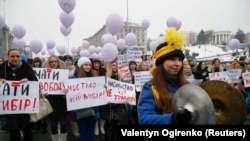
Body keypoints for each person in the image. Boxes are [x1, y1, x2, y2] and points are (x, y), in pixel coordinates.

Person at [137, 27, 189, 125]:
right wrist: (172, 119)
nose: (178, 63)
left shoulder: (187, 86)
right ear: (161, 62)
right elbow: (144, 119)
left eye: (179, 59)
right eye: (172, 59)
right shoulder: (151, 88)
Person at [0, 48, 38, 141]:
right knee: (14, 133)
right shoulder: (1, 69)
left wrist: (29, 81)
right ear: (7, 57)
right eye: (12, 56)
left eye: (18, 56)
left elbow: (36, 84)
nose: (15, 58)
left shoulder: (28, 68)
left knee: (28, 133)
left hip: (26, 108)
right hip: (10, 109)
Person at [70, 57, 100, 141]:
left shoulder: (95, 77)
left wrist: (103, 87)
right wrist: (66, 91)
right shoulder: (73, 79)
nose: (88, 67)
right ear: (80, 66)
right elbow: (70, 94)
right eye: (85, 64)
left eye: (90, 65)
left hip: (93, 110)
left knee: (91, 133)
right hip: (80, 112)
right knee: (83, 133)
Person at [43, 55, 68, 141]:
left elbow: (69, 87)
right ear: (48, 63)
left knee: (64, 123)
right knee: (53, 125)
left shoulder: (64, 73)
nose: (53, 63)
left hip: (62, 102)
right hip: (51, 103)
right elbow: (41, 88)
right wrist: (44, 94)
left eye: (55, 61)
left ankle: (63, 139)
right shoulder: (44, 74)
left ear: (58, 62)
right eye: (51, 62)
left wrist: (66, 92)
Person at [100, 60, 126, 141]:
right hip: (108, 105)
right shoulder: (104, 78)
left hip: (118, 105)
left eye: (116, 65)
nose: (115, 67)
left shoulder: (121, 78)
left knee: (115, 124)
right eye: (113, 65)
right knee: (108, 124)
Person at [91, 58, 106, 136]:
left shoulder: (103, 71)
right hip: (94, 95)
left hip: (103, 94)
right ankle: (96, 127)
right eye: (95, 63)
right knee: (96, 111)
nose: (96, 65)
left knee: (103, 110)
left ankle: (102, 127)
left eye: (98, 63)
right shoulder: (90, 72)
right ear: (92, 64)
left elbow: (107, 79)